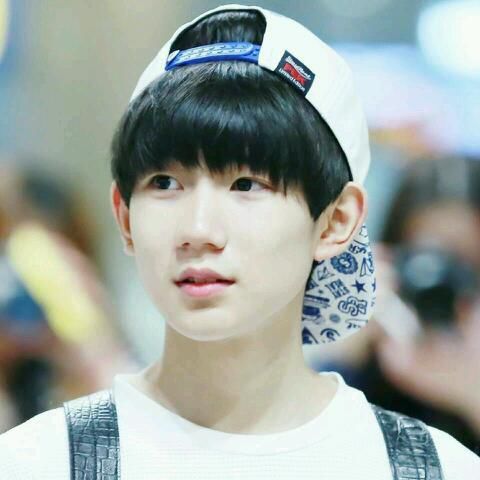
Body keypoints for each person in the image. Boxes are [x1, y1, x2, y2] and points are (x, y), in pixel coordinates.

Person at [0, 5, 478, 479]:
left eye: (247, 185)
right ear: (124, 217)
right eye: (165, 183)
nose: (199, 229)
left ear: (336, 221)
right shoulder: (37, 463)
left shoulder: (435, 469)